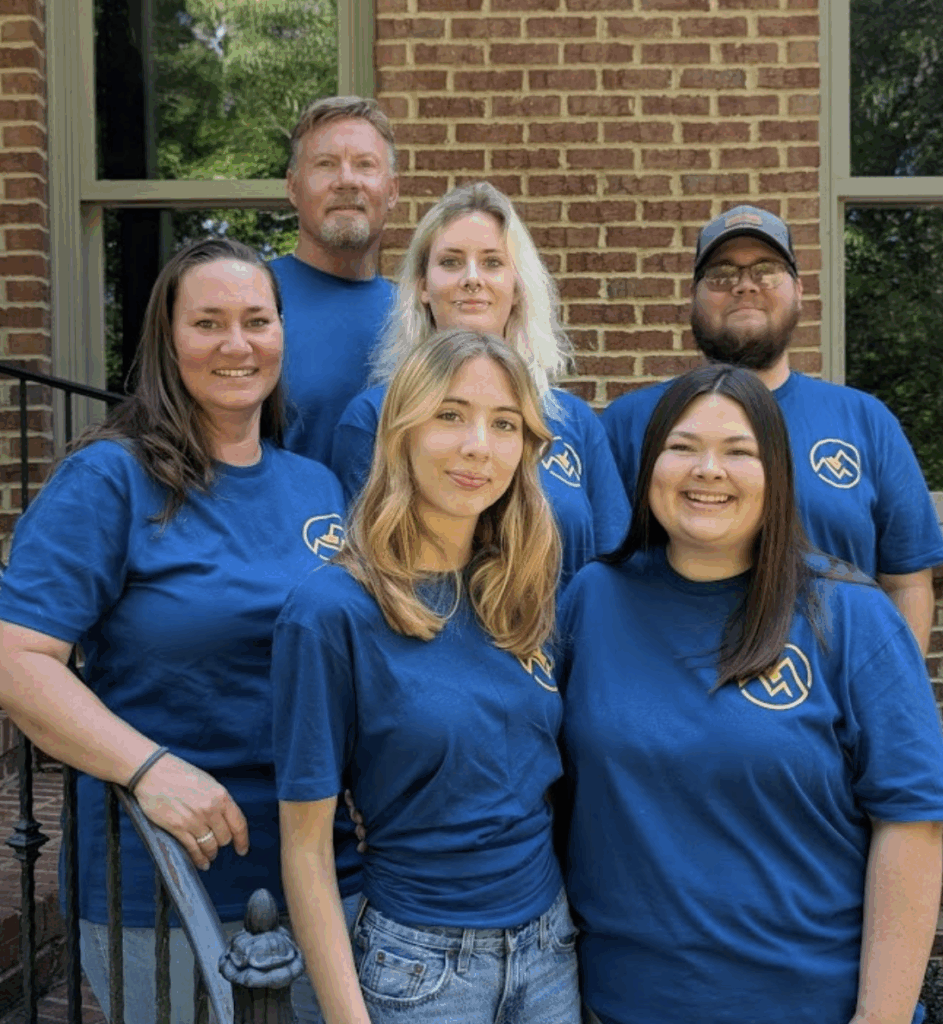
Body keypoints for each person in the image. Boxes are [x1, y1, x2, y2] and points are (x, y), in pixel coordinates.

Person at [0, 238, 348, 1024]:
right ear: (167, 340)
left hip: (325, 873)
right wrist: (149, 769)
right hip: (164, 881)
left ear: (281, 336)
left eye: (257, 320)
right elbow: (17, 658)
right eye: (208, 322)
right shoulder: (110, 479)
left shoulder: (317, 486)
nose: (236, 344)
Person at [560, 363, 943, 1024]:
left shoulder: (849, 613)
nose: (707, 469)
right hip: (623, 1004)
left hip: (811, 1006)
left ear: (777, 475)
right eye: (681, 447)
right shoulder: (590, 601)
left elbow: (913, 821)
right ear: (648, 466)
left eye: (739, 451)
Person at [274, 329, 581, 1024]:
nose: (479, 444)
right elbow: (306, 849)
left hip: (550, 950)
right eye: (450, 414)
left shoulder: (524, 592)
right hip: (420, 969)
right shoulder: (330, 612)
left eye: (504, 424)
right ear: (402, 431)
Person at [601, 205, 943, 651]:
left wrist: (890, 699)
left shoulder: (865, 421)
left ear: (800, 291)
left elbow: (906, 582)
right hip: (673, 698)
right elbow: (604, 575)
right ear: (694, 297)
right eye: (722, 273)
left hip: (836, 711)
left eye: (767, 270)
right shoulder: (630, 422)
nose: (745, 284)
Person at [332, 180, 629, 589]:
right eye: (451, 262)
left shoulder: (572, 419)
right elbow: (367, 571)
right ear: (421, 286)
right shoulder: (373, 416)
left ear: (518, 286)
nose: (472, 279)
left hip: (564, 650)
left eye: (492, 262)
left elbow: (615, 572)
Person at [270, 95, 400, 465]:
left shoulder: (418, 313)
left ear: (391, 191)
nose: (346, 181)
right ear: (293, 188)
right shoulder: (252, 302)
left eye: (365, 165)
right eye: (326, 164)